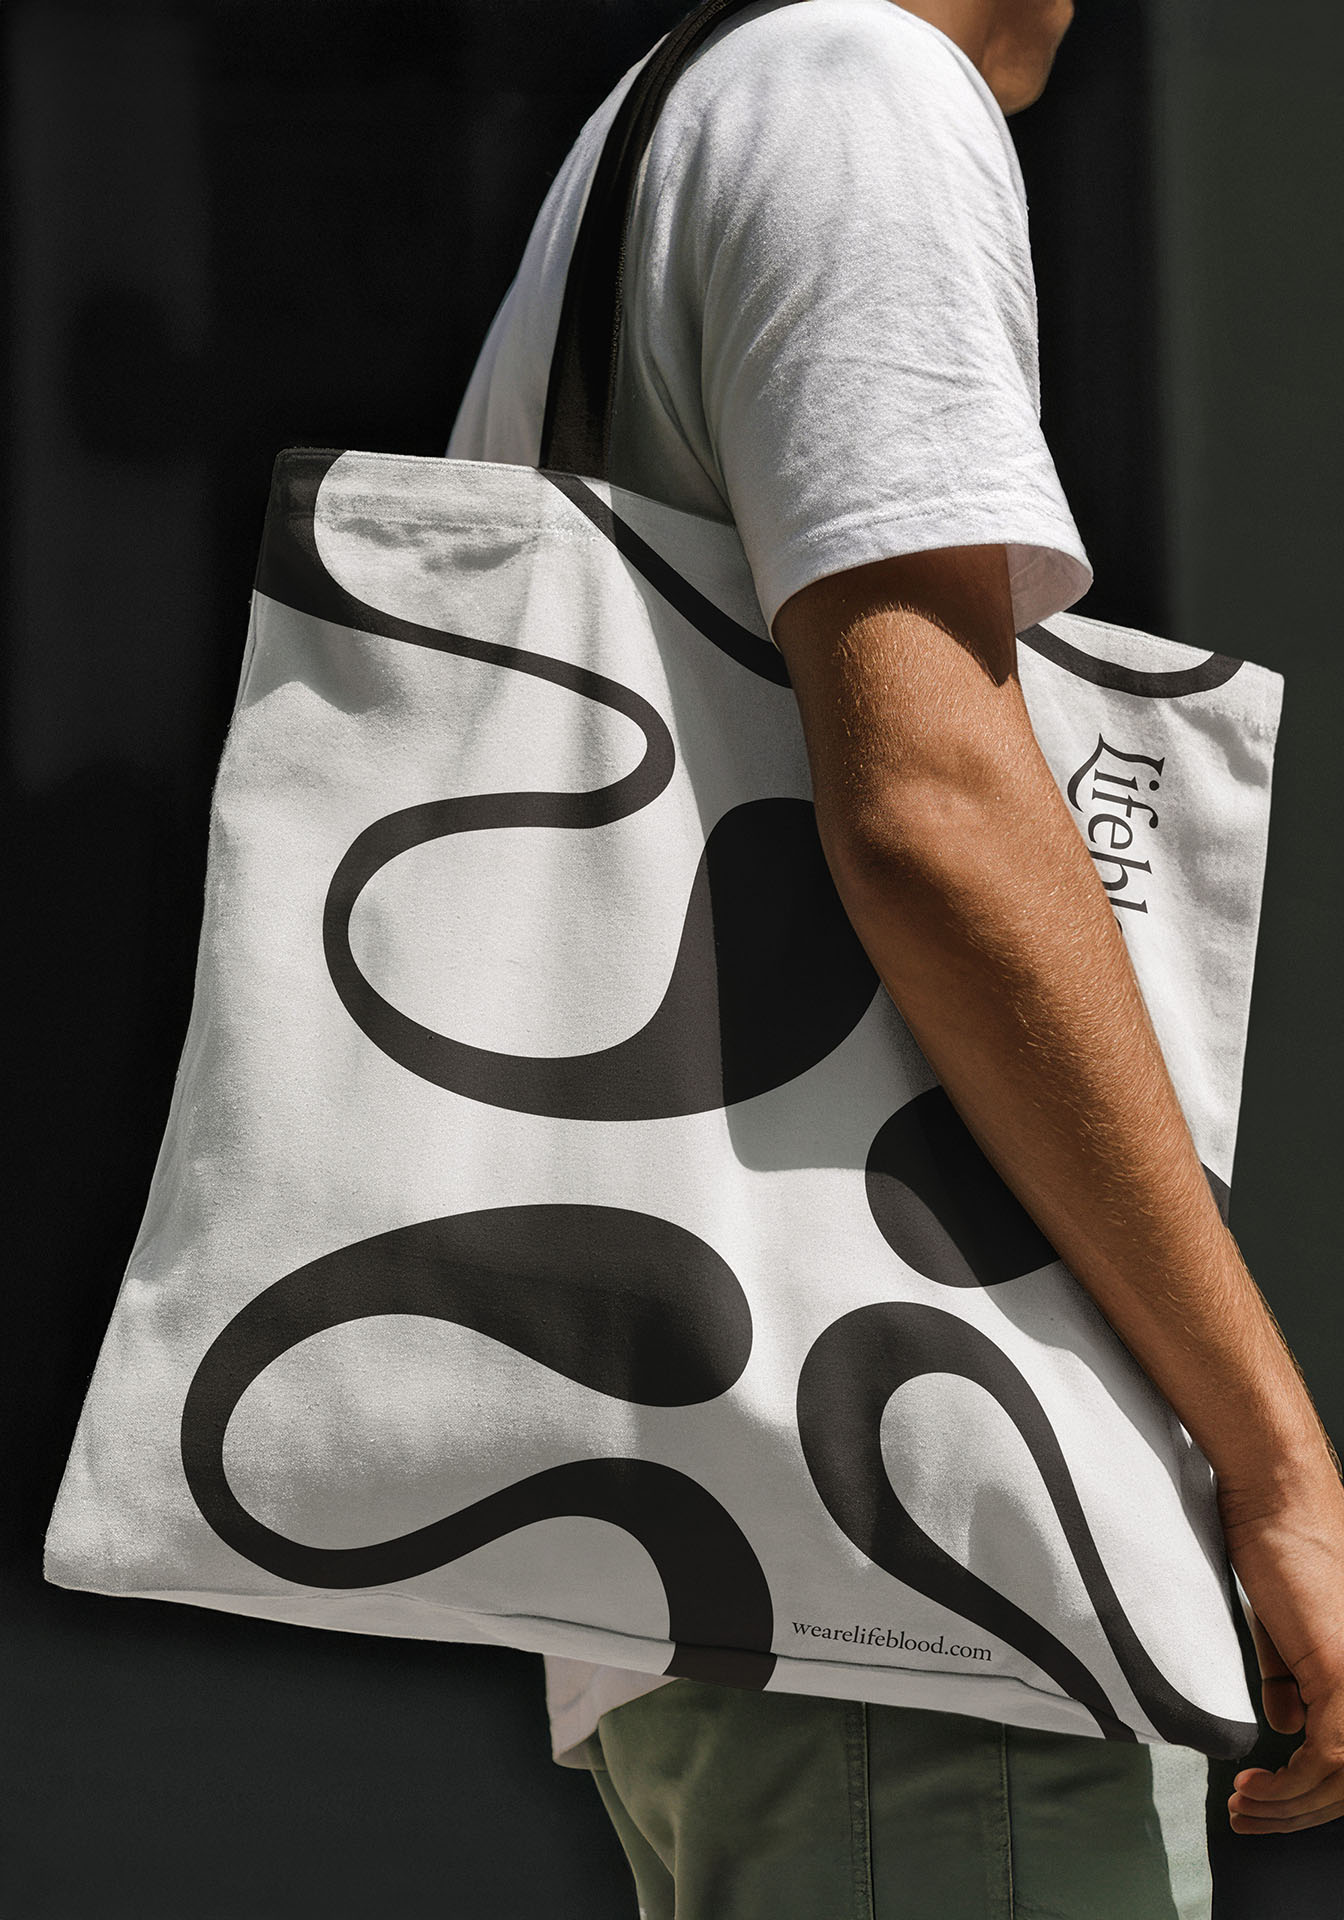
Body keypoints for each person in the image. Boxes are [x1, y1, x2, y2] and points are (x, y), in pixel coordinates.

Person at [447, 1, 1344, 1912]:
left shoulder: (664, 129)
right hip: (918, 1551)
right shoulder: (855, 92)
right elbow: (932, 804)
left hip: (759, 1562)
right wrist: (1274, 1460)